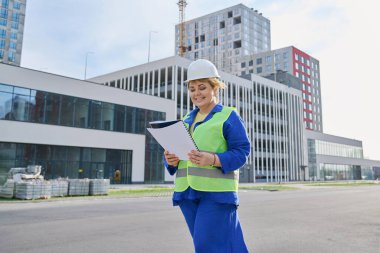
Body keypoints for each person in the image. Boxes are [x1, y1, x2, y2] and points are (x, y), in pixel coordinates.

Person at [164, 59, 251, 253]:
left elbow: (242, 151)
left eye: (202, 87)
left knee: (207, 246)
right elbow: (177, 156)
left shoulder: (228, 116)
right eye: (192, 89)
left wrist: (213, 159)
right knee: (221, 243)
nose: (196, 93)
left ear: (215, 87)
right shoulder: (186, 120)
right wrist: (170, 159)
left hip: (216, 194)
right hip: (187, 193)